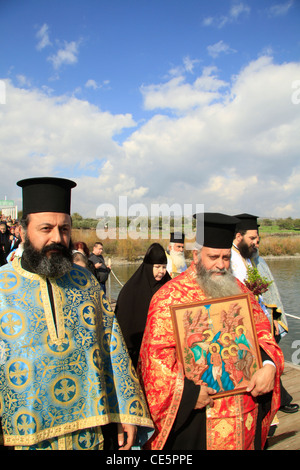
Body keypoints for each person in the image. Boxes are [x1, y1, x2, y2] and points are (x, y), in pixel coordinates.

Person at [0, 177, 153, 450]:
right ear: (23, 231)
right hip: (23, 437)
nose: (57, 238)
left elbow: (112, 347)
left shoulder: (86, 282)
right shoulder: (2, 286)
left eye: (64, 229)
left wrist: (125, 412)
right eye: (46, 228)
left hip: (88, 433)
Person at [138, 212, 284, 450]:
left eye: (226, 257)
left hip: (244, 409)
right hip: (196, 417)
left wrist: (268, 366)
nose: (221, 264)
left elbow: (263, 335)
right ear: (195, 255)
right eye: (213, 256)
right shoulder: (168, 297)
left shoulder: (240, 290)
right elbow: (155, 361)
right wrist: (189, 394)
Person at [232, 214, 298, 415]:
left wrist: (275, 317)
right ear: (238, 236)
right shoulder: (230, 260)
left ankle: (278, 400)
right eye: (252, 238)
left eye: (257, 238)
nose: (256, 243)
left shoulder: (254, 259)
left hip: (264, 321)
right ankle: (274, 403)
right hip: (244, 323)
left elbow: (269, 292)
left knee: (268, 360)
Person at [115, 243, 171, 368]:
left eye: (164, 267)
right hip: (137, 350)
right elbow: (124, 322)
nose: (161, 271)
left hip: (162, 350)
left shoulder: (168, 285)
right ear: (148, 266)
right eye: (157, 267)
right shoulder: (132, 289)